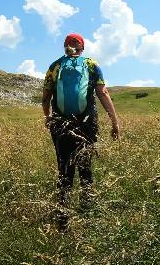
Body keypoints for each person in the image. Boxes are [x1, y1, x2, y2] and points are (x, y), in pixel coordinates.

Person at [41, 33, 120, 229]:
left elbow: (45, 98)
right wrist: (115, 122)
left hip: (60, 124)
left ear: (65, 47)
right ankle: (88, 215)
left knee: (64, 170)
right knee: (85, 168)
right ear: (82, 47)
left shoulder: (54, 66)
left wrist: (48, 117)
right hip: (86, 123)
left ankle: (63, 221)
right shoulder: (92, 65)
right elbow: (102, 92)